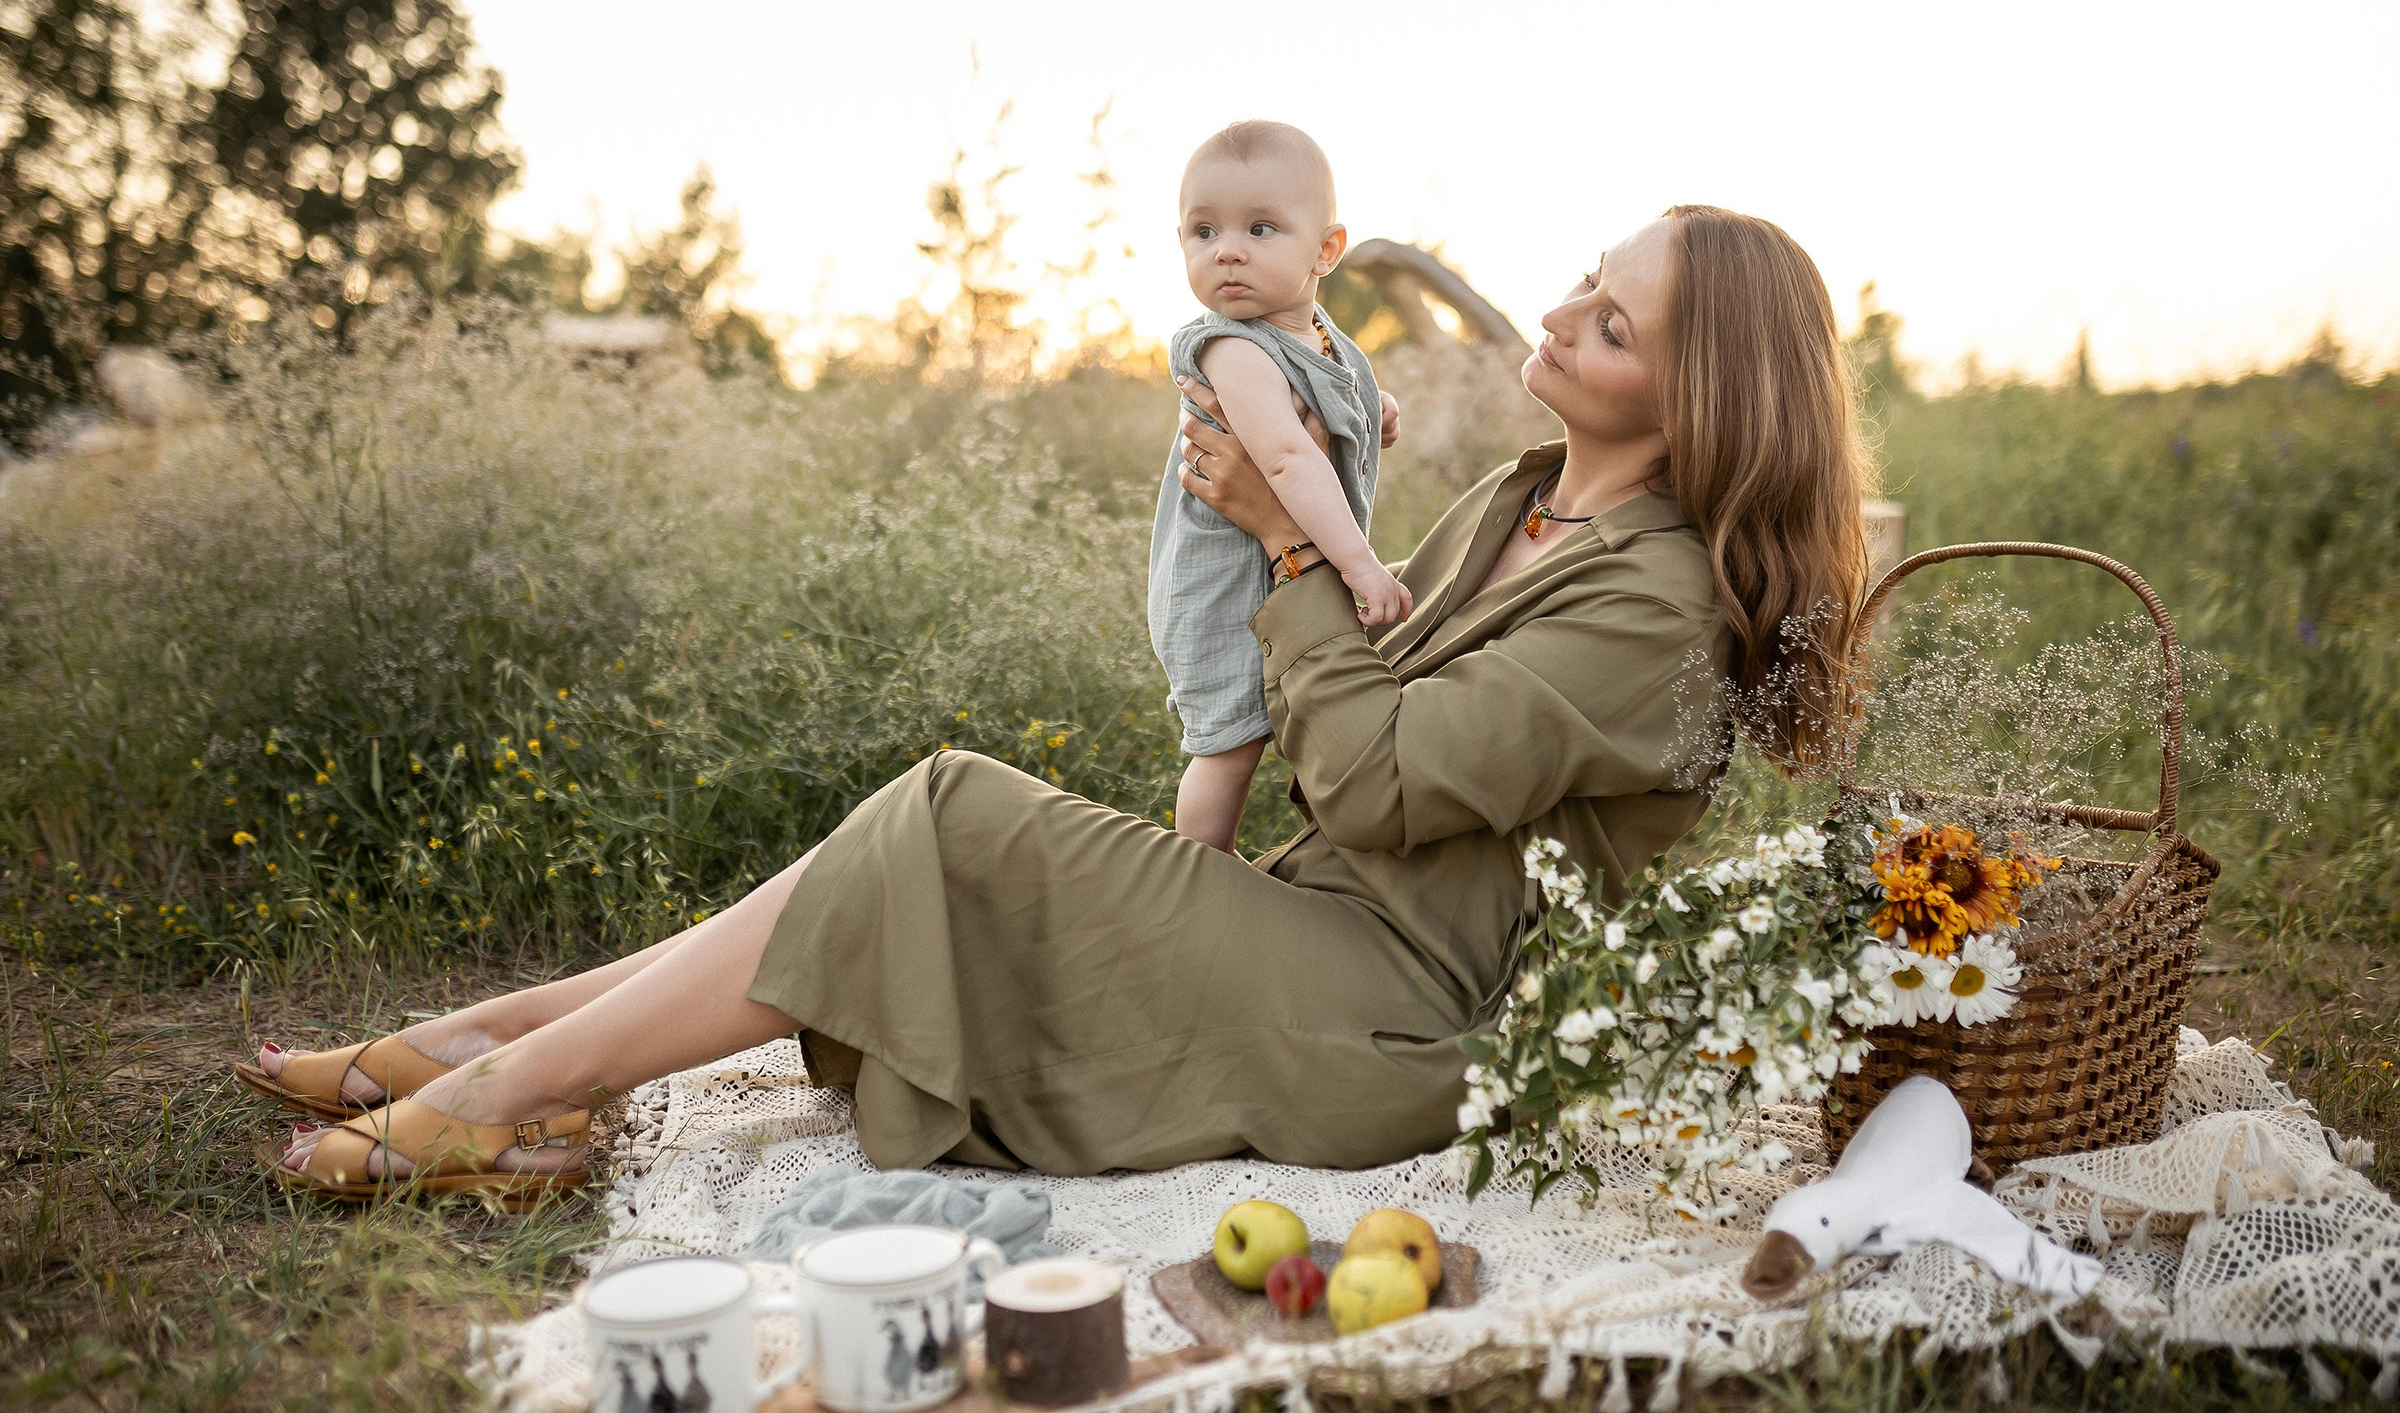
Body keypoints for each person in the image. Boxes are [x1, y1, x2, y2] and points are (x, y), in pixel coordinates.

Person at [243, 205, 1872, 1200]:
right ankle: (495, 1047)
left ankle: (496, 1086)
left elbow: (1371, 782)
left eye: (1615, 316)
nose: (1568, 310)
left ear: (1696, 383)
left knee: (951, 816)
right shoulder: (1527, 496)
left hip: (1395, 1022)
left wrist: (1284, 554)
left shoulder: (1653, 604)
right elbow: (1357, 744)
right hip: (1318, 925)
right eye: (1585, 281)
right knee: (916, 847)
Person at [1149, 121, 1404, 851]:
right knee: (1228, 744)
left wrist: (1374, 409)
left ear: (1325, 250)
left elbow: (1335, 388)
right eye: (1204, 231)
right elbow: (1288, 460)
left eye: (1260, 228)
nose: (1226, 249)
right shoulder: (1232, 346)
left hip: (1280, 575)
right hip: (1224, 588)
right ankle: (1202, 868)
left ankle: (1326, 851)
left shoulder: (1317, 331)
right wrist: (1361, 566)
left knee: (1297, 722)